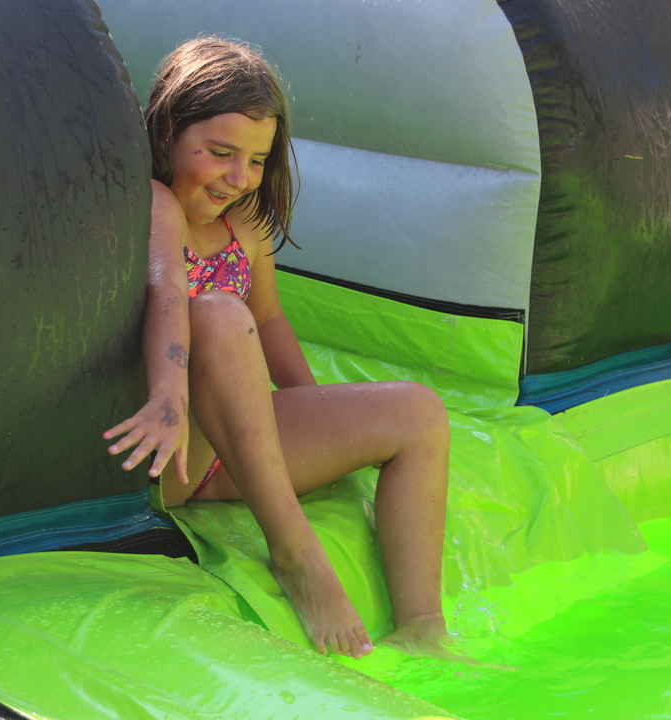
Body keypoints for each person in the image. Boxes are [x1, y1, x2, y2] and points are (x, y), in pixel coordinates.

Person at [104, 37, 451, 660]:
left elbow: (269, 321)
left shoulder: (246, 227)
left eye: (257, 160)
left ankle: (423, 626)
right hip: (172, 450)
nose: (239, 177)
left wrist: (322, 414)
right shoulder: (154, 203)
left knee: (420, 413)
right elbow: (165, 291)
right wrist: (167, 397)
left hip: (239, 446)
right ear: (167, 134)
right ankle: (296, 554)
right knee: (216, 313)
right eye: (220, 154)